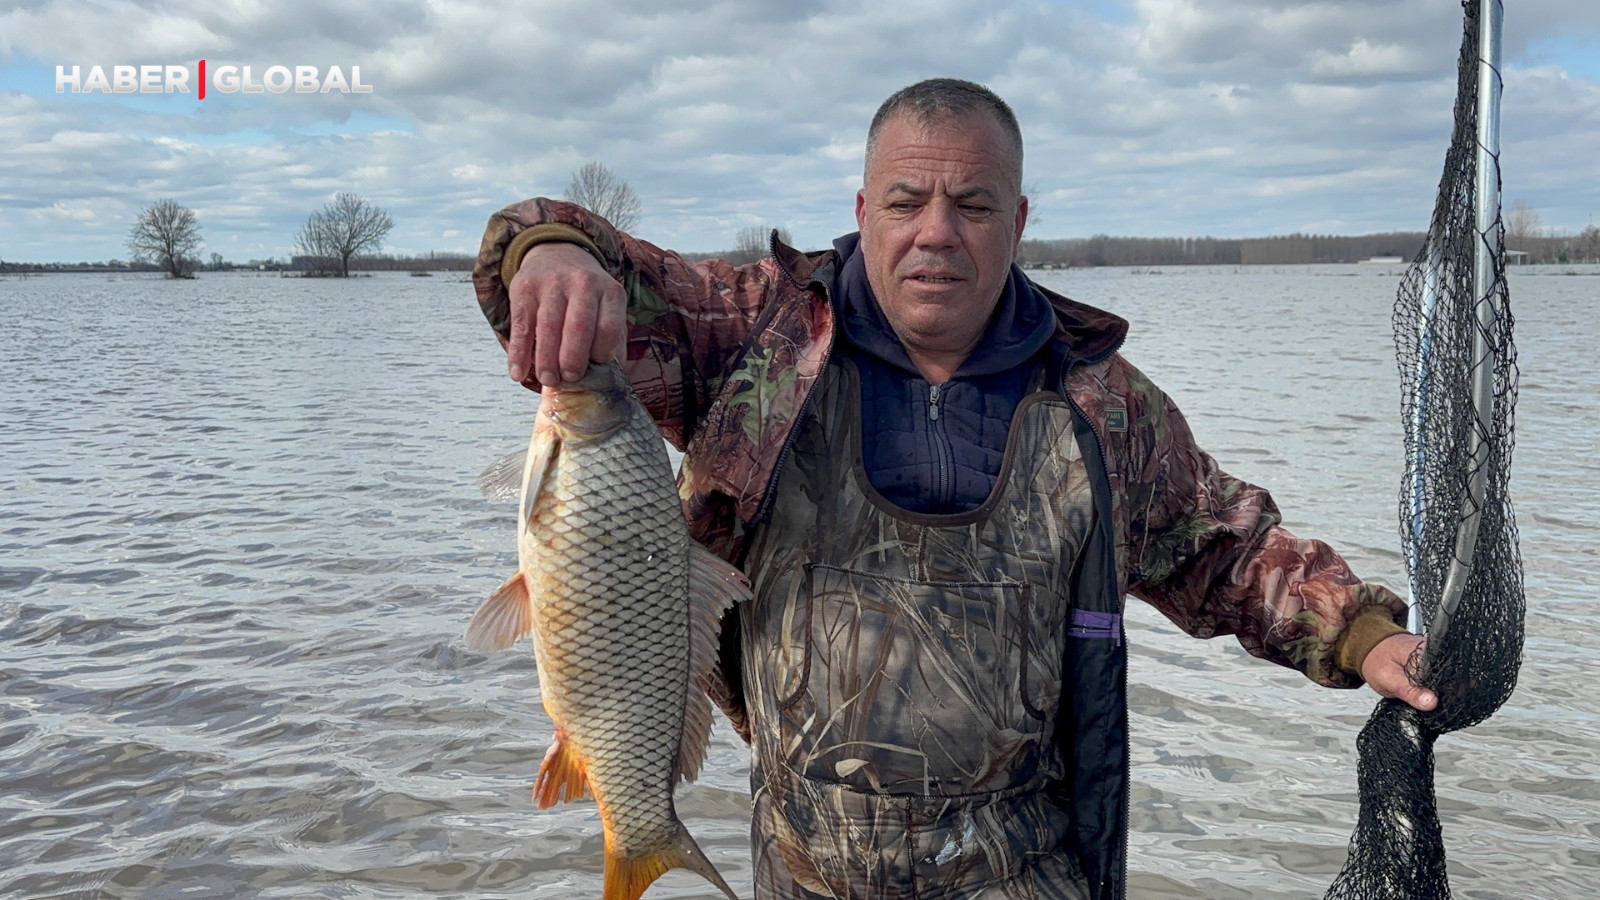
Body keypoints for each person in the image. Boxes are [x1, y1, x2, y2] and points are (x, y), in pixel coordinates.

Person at [470, 78, 1435, 900]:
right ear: (860, 211)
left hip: (1023, 864)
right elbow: (567, 251)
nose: (937, 233)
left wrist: (1362, 635)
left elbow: (1217, 546)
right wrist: (549, 250)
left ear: (1017, 222)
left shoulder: (1095, 401)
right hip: (802, 863)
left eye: (973, 205)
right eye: (906, 201)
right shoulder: (755, 345)